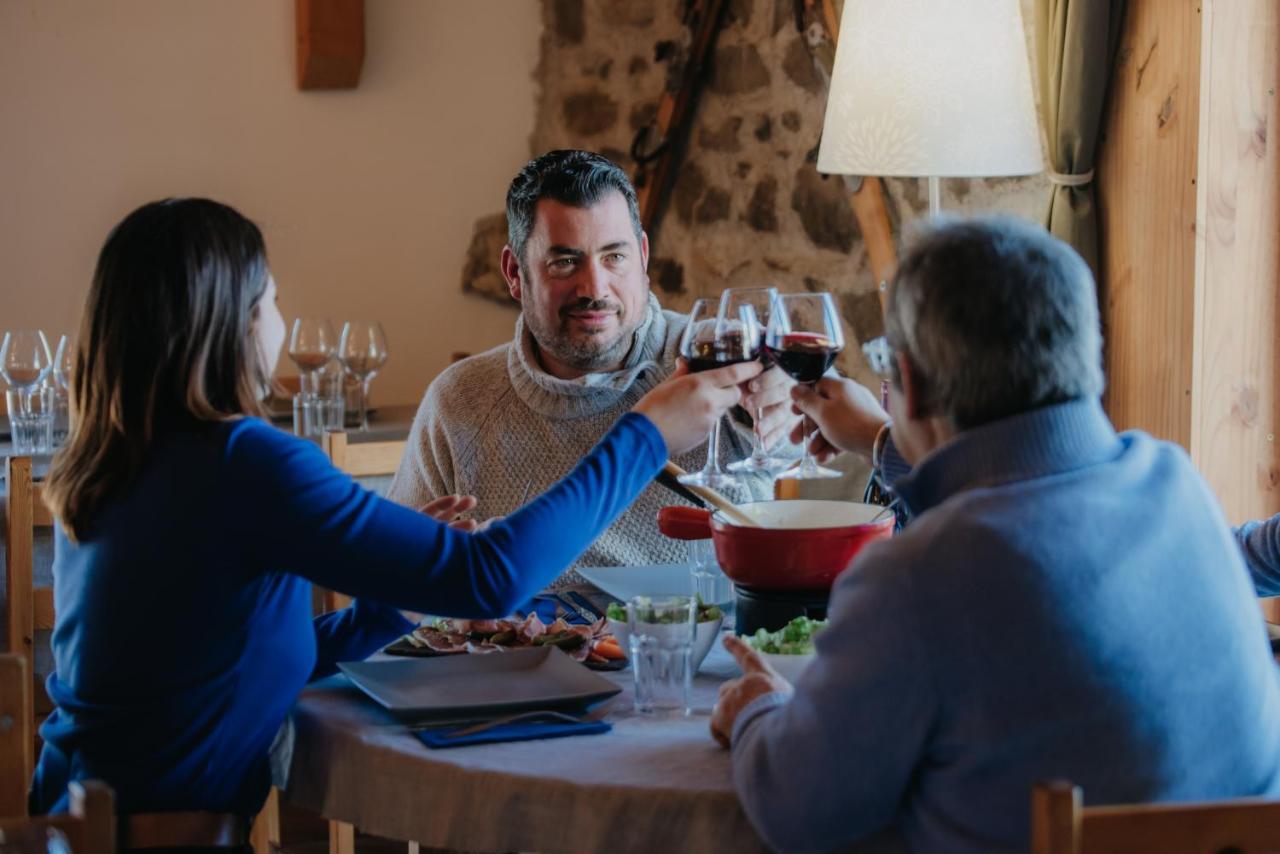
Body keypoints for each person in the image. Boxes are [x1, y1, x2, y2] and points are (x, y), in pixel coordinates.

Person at [32, 198, 761, 824]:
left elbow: (235, 659)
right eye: (273, 300)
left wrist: (392, 608)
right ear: (235, 323)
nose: (280, 319)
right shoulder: (245, 463)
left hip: (73, 821)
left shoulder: (109, 466)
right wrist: (644, 436)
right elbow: (491, 577)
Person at [709, 216, 1280, 853]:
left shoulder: (917, 577)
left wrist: (757, 705)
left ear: (912, 383)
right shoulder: (1177, 486)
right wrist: (882, 443)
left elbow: (799, 812)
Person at [388, 150, 799, 580]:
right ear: (514, 272)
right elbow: (397, 576)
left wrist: (786, 396)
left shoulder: (715, 355)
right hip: (519, 645)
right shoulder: (460, 400)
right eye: (565, 262)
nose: (594, 287)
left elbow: (801, 437)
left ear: (642, 257)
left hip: (702, 642)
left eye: (614, 257)